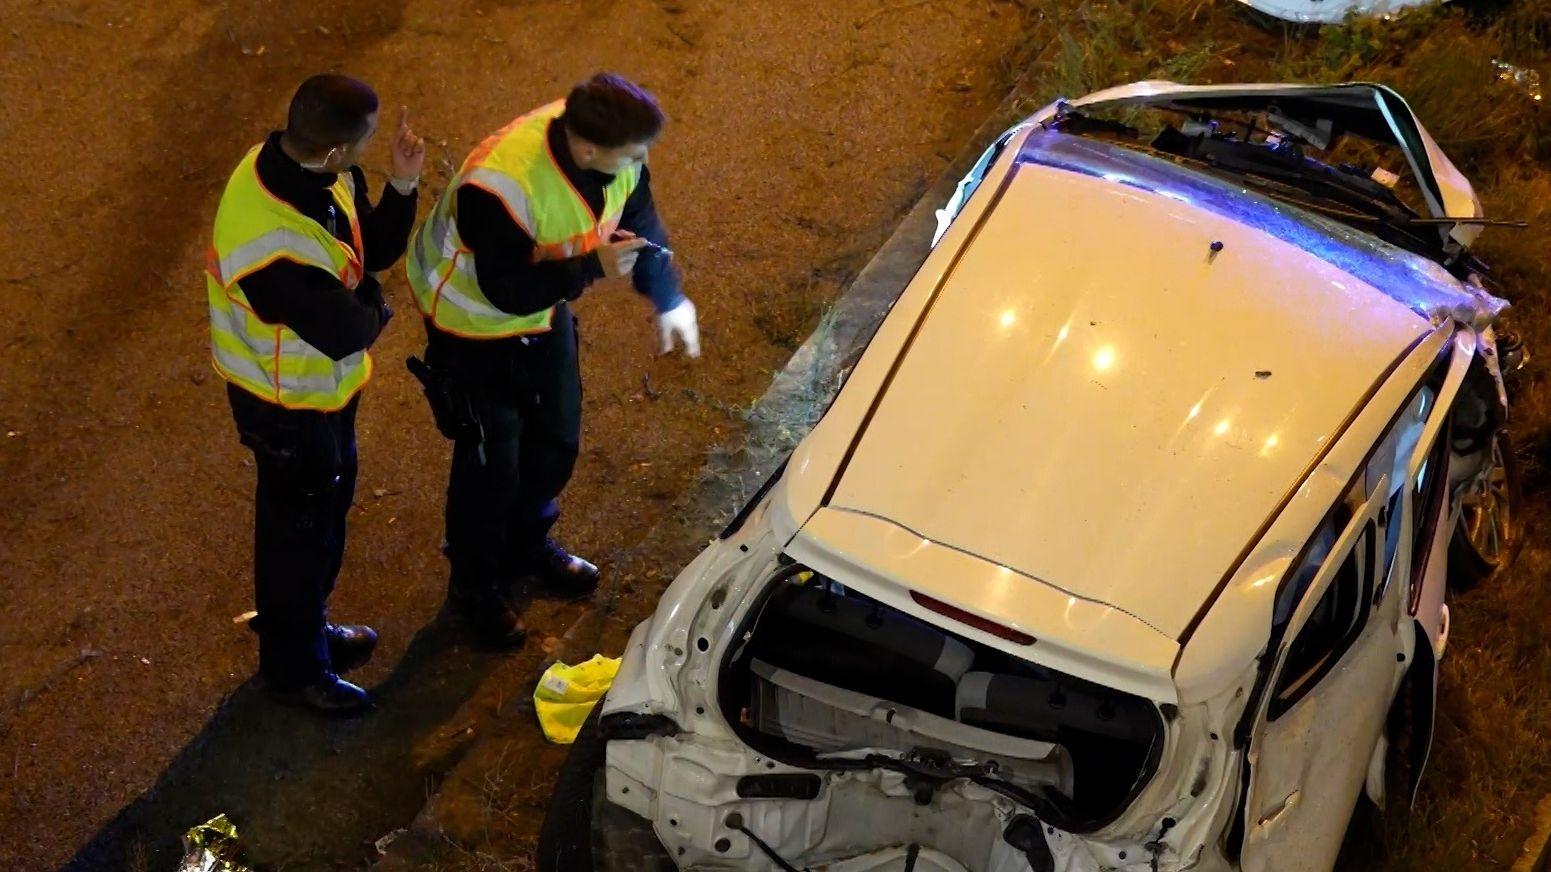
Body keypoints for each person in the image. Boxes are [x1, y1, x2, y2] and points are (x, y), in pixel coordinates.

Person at [406, 72, 699, 647]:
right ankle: (476, 585)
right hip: (471, 327)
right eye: (634, 153)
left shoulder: (615, 150)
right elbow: (505, 290)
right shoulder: (498, 186)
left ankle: (525, 544)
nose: (642, 161)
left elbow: (640, 224)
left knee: (556, 439)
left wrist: (668, 298)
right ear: (588, 148)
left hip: (541, 319)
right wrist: (591, 267)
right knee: (489, 467)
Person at [206, 74, 424, 713]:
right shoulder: (269, 236)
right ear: (333, 152)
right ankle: (297, 668)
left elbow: (370, 253)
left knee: (318, 519)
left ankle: (303, 630)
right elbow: (346, 330)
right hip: (282, 405)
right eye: (368, 143)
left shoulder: (308, 171)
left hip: (318, 396)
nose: (371, 152)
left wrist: (403, 183)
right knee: (298, 533)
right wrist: (376, 307)